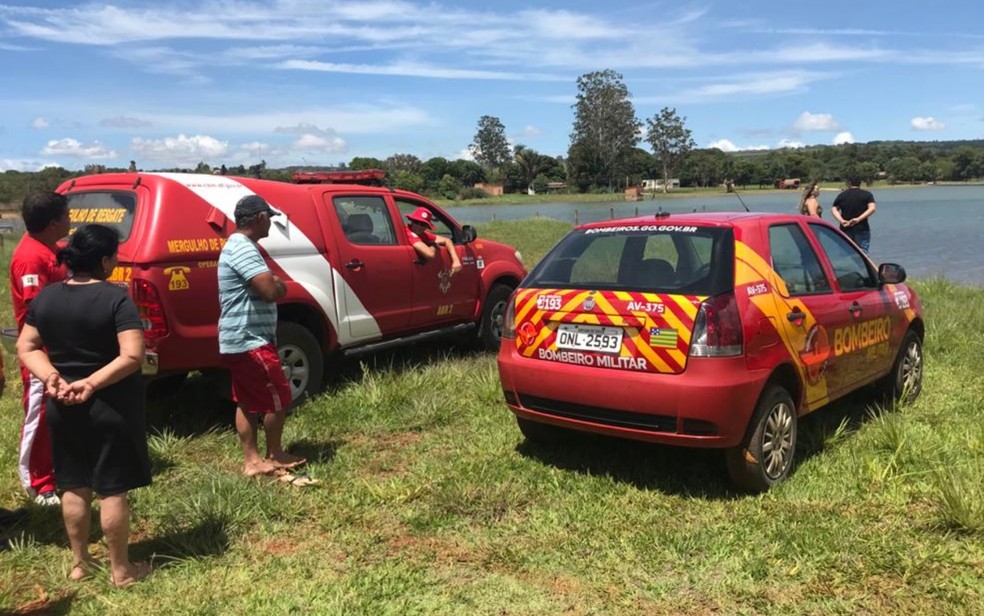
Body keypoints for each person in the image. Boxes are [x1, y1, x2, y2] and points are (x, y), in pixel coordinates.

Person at [16, 224, 152, 587]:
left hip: (63, 404)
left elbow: (27, 347)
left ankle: (80, 563)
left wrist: (52, 377)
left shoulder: (46, 298)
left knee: (73, 484)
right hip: (111, 405)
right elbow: (133, 355)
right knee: (112, 488)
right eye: (115, 255)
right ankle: (121, 570)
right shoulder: (116, 298)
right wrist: (91, 383)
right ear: (105, 260)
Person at [218, 195, 305, 478]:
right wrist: (279, 285)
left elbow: (265, 284)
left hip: (237, 339)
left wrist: (273, 282)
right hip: (250, 339)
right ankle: (274, 453)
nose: (271, 224)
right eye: (269, 218)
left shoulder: (238, 246)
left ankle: (252, 461)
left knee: (246, 400)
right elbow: (270, 290)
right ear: (260, 219)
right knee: (278, 394)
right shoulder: (243, 248)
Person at [9, 191, 71, 506]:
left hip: (61, 348)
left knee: (58, 413)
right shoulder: (31, 257)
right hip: (41, 353)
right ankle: (38, 482)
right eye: (66, 216)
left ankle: (55, 470)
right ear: (52, 223)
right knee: (40, 414)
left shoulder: (53, 249)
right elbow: (37, 309)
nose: (71, 220)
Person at [404, 207, 462, 274]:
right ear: (412, 221)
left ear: (426, 227)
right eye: (416, 222)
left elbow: (447, 240)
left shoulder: (422, 234)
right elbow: (430, 255)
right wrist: (434, 245)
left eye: (423, 224)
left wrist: (455, 260)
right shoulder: (409, 233)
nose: (418, 226)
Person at [831, 177, 877, 252]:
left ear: (849, 183)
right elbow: (872, 208)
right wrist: (858, 219)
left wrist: (841, 220)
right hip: (861, 227)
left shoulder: (842, 195)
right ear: (860, 183)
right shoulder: (867, 194)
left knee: (846, 251)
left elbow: (834, 209)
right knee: (863, 251)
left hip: (845, 228)